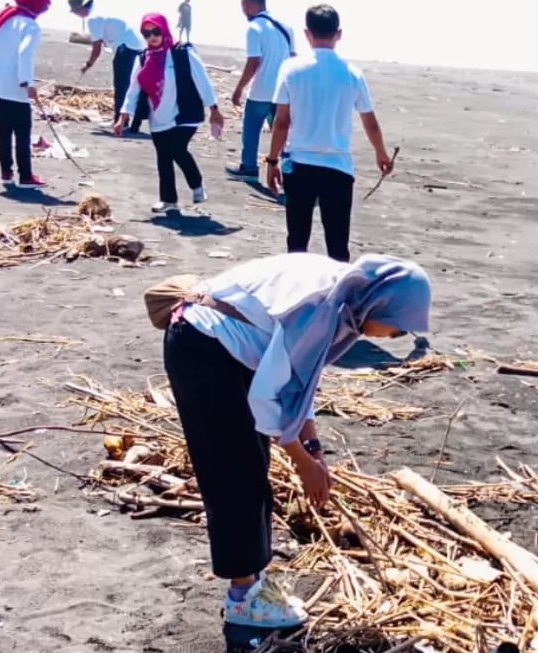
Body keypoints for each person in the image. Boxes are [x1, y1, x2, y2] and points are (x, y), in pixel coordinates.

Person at [155, 253, 431, 627]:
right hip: (201, 349)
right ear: (379, 302)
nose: (396, 337)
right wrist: (302, 462)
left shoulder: (345, 304)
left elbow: (300, 382)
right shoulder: (320, 307)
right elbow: (267, 397)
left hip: (227, 351)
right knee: (235, 474)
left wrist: (314, 449)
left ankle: (252, 582)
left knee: (250, 467)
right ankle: (243, 602)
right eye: (398, 328)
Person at [265, 5, 394, 262]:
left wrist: (271, 160)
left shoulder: (291, 69)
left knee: (297, 241)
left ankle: (297, 293)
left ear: (307, 33)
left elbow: (281, 122)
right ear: (339, 33)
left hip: (299, 165)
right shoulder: (352, 73)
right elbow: (369, 121)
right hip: (338, 167)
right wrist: (381, 153)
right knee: (337, 244)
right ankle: (340, 297)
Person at [117, 13, 225, 214]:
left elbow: (202, 79)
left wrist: (214, 109)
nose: (152, 37)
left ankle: (196, 183)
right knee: (163, 157)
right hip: (158, 114)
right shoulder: (143, 58)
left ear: (164, 29)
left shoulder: (181, 53)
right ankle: (168, 200)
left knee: (176, 148)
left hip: (185, 112)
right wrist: (124, 115)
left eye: (156, 31)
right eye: (146, 33)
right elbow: (133, 89)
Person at [0, 0, 50, 188]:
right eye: (44, 7)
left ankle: (6, 172)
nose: (43, 12)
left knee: (4, 128)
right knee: (22, 131)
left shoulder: (5, 17)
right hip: (13, 84)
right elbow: (24, 53)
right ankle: (26, 176)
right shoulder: (30, 25)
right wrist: (27, 82)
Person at [226, 0, 295, 179]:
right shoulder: (286, 28)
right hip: (283, 90)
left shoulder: (254, 28)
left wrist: (239, 88)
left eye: (243, 6)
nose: (243, 11)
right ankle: (289, 173)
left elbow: (254, 61)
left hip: (261, 91)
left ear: (250, 5)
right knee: (284, 133)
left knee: (251, 129)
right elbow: (293, 58)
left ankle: (249, 167)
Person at [69, 0, 149, 133]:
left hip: (125, 49)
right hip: (138, 46)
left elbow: (97, 48)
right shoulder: (102, 11)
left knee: (122, 86)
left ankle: (121, 121)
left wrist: (88, 64)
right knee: (133, 85)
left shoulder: (93, 19)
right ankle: (130, 122)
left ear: (81, 8)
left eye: (75, 11)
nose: (75, 14)